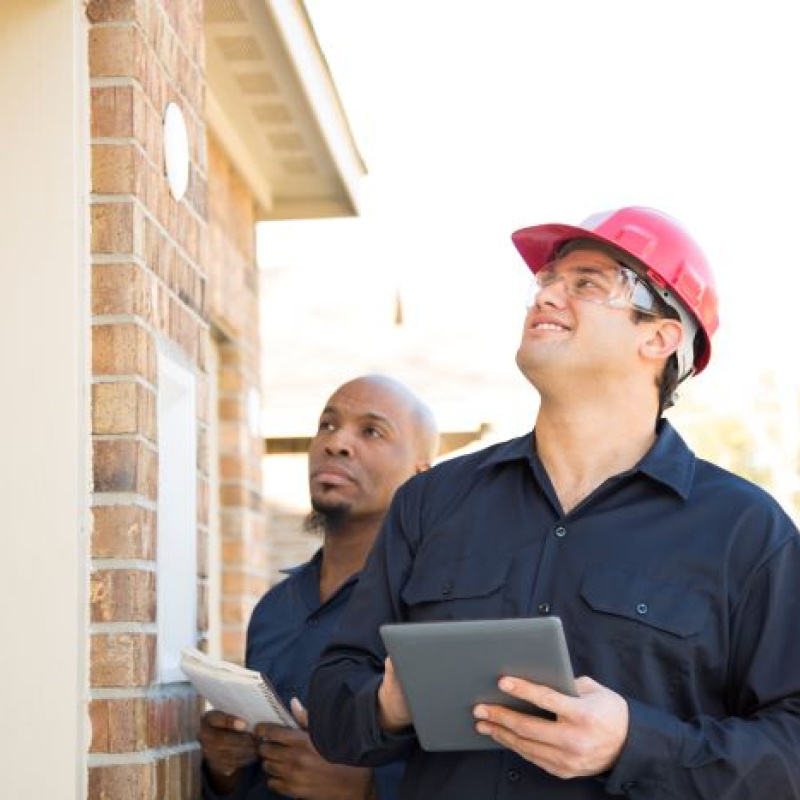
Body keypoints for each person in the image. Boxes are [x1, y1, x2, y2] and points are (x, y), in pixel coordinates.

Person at [308, 207, 800, 799]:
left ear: (660, 336)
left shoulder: (745, 531)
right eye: (546, 282)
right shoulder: (431, 504)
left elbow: (789, 750)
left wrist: (633, 743)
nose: (546, 297)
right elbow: (335, 698)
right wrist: (388, 704)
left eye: (586, 283)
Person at [199, 374, 439, 800]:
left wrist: (366, 789)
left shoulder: (434, 608)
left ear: (420, 476)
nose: (337, 443)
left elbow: (475, 766)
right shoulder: (275, 608)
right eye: (327, 425)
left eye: (372, 431)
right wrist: (224, 769)